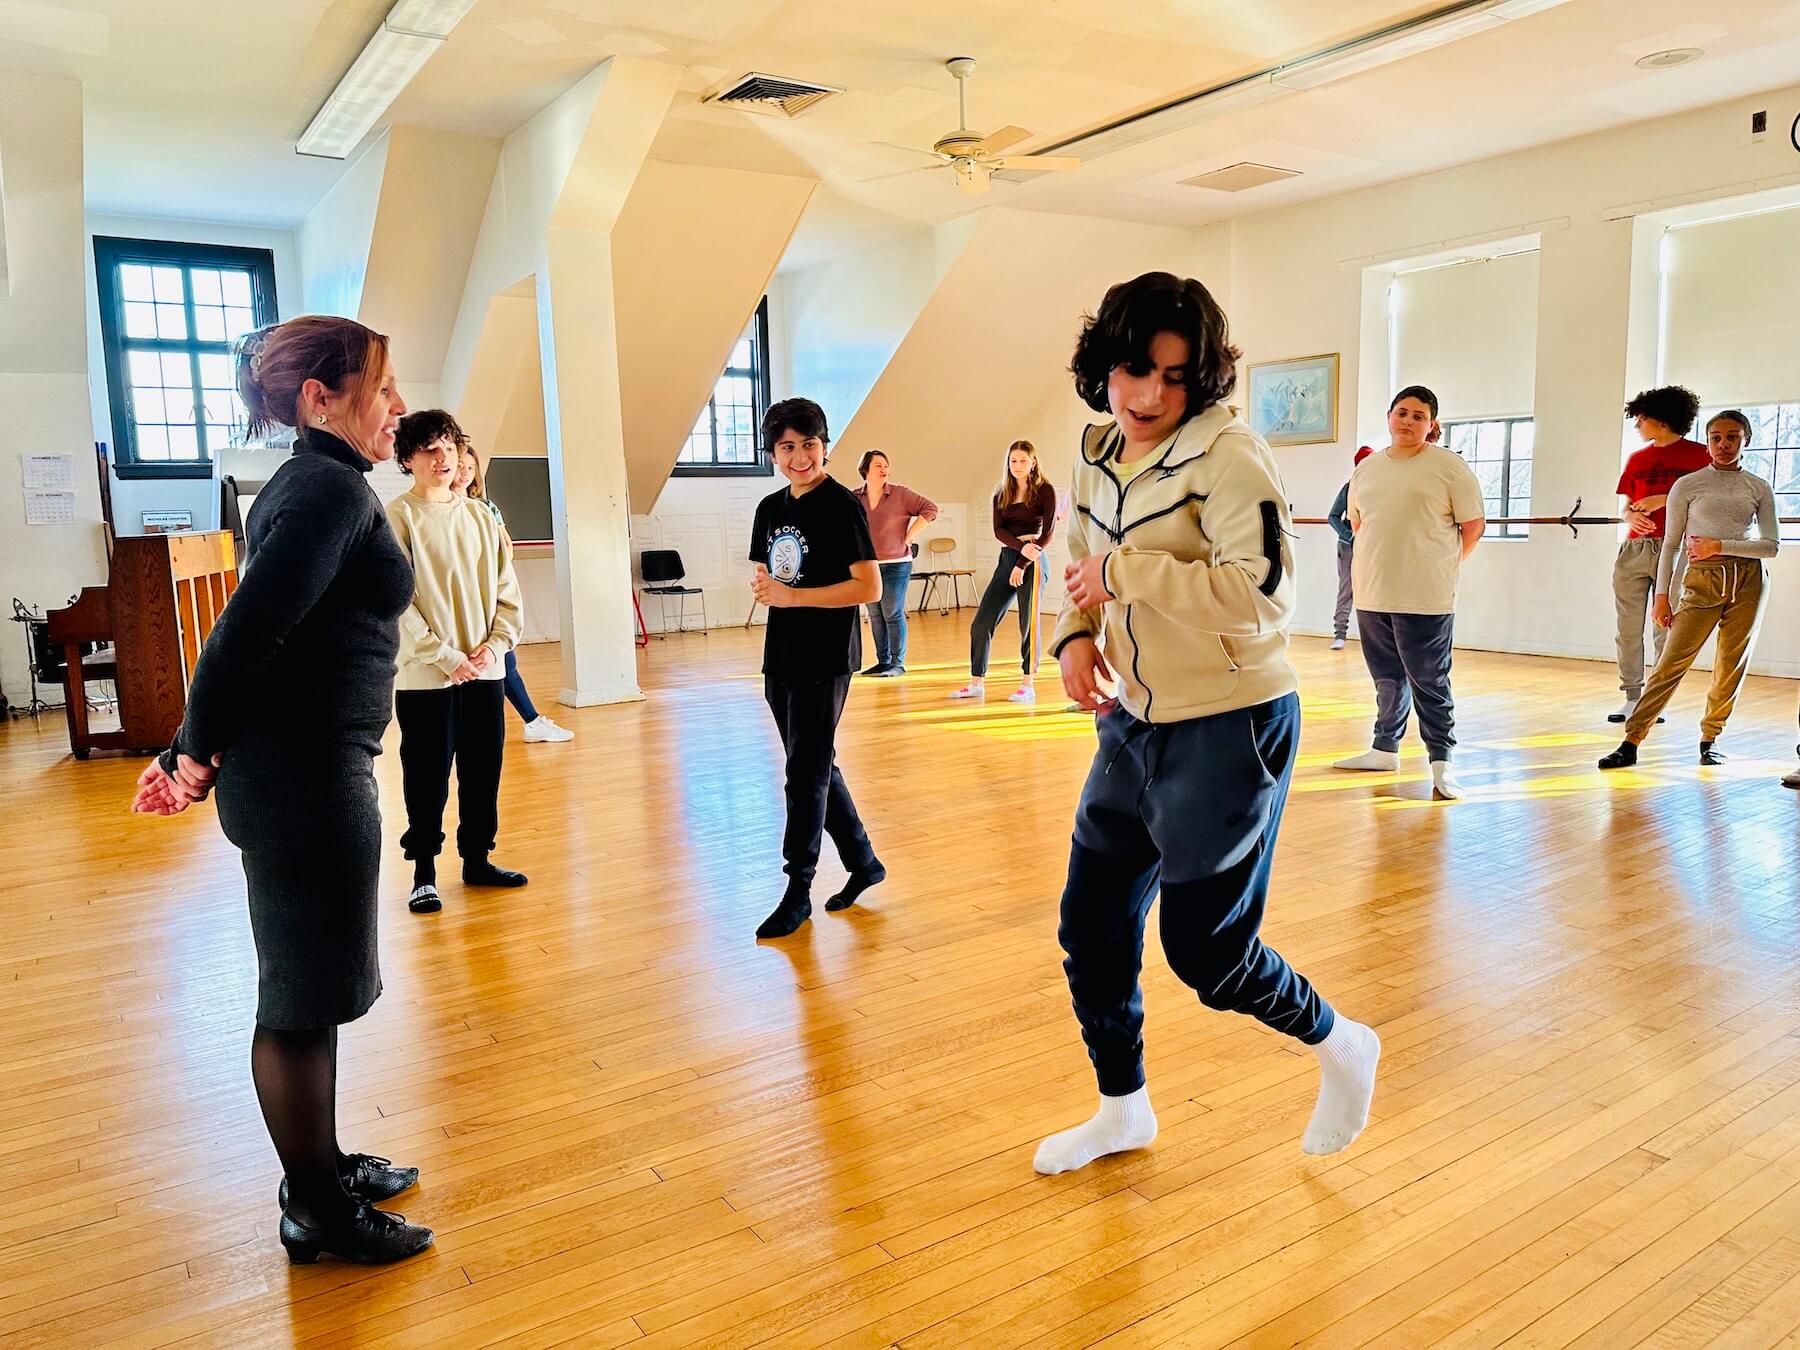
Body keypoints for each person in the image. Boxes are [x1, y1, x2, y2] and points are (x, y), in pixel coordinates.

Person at [1035, 270, 1379, 1177]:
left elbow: (1265, 597)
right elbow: (1078, 554)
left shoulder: (1231, 457)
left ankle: (1342, 1042)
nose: (1149, 395)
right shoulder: (1098, 447)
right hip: (1134, 723)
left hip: (1231, 725)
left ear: (1203, 378)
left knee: (1208, 953)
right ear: (1102, 366)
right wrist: (1075, 634)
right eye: (1132, 369)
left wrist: (1128, 574)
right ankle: (1123, 1110)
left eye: (1174, 376)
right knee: (1092, 927)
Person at [131, 316, 433, 1266]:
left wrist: (198, 745)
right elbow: (242, 636)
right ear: (321, 399)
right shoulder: (325, 493)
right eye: (381, 387)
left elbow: (270, 634)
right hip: (304, 779)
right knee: (300, 1001)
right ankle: (316, 1212)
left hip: (307, 768)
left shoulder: (319, 486)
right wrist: (190, 751)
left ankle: (323, 1162)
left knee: (317, 988)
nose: (397, 404)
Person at [747, 397, 886, 940]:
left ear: (824, 445)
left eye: (809, 444)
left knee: (804, 773)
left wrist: (790, 597)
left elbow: (868, 587)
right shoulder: (769, 509)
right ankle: (864, 862)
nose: (800, 456)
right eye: (787, 447)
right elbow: (772, 579)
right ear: (774, 453)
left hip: (826, 656)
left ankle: (797, 889)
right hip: (781, 652)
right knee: (815, 763)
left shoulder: (841, 506)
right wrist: (770, 592)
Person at [387, 410, 527, 914]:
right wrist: (445, 657)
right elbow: (396, 602)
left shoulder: (480, 516)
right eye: (429, 449)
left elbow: (508, 592)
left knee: (482, 768)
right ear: (408, 459)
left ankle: (477, 859)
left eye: (449, 446)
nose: (442, 458)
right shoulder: (396, 517)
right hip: (427, 676)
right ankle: (423, 871)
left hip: (485, 671)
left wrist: (494, 647)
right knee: (426, 773)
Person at [1599, 410, 1778, 770]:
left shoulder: (1758, 486)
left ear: (1746, 440)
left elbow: (1770, 546)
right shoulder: (1689, 484)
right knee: (1671, 661)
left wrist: (1720, 546)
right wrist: (1663, 595)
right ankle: (1631, 741)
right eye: (1716, 437)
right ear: (1708, 440)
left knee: (1731, 664)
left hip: (1748, 581)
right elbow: (1671, 544)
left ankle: (1711, 738)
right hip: (1701, 579)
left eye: (1732, 437)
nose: (1723, 445)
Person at [1332, 386, 1485, 800]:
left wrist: (1440, 566)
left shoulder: (1449, 467)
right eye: (1402, 412)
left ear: (1431, 425)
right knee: (1386, 678)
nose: (1408, 421)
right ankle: (1385, 749)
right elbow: (1361, 526)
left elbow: (1472, 526)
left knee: (1430, 681)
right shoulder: (1367, 469)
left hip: (1425, 596)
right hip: (1372, 593)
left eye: (1419, 416)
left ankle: (1442, 763)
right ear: (1388, 417)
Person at [453, 444, 574, 743]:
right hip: (461, 601)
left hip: (491, 595)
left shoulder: (486, 507)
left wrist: (494, 574)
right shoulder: (443, 509)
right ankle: (527, 721)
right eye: (459, 467)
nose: (464, 474)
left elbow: (506, 547)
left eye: (470, 468)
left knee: (505, 663)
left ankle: (532, 721)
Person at [1610, 386, 1710, 724]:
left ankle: (1656, 698)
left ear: (1662, 420)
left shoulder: (1700, 456)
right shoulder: (1637, 459)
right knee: (1627, 627)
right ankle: (1632, 696)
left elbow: (1708, 499)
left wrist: (1663, 498)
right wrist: (1630, 516)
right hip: (1635, 547)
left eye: (1641, 419)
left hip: (1677, 547)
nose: (1637, 425)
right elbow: (1627, 506)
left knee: (1666, 626)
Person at [949, 441, 1057, 704]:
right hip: (1010, 557)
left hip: (1035, 559)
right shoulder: (1001, 493)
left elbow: (1049, 532)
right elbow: (999, 531)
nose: (1017, 465)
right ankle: (977, 682)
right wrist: (1019, 552)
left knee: (1028, 622)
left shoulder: (1045, 490)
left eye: (1022, 460)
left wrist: (1024, 561)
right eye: (1012, 461)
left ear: (1033, 462)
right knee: (982, 622)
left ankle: (1028, 684)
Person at [851, 449, 938, 676]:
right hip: (868, 566)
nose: (884, 470)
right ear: (865, 470)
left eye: (886, 466)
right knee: (875, 615)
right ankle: (883, 661)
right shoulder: (854, 497)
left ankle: (897, 663)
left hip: (897, 563)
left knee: (892, 612)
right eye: (878, 465)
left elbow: (931, 509)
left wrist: (910, 535)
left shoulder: (900, 494)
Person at [1326, 446, 1375, 649]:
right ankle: (1340, 634)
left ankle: (1375, 638)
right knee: (1346, 590)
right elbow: (1333, 517)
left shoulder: (1381, 488)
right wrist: (1351, 537)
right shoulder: (1349, 488)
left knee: (1374, 591)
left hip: (1373, 548)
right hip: (1348, 548)